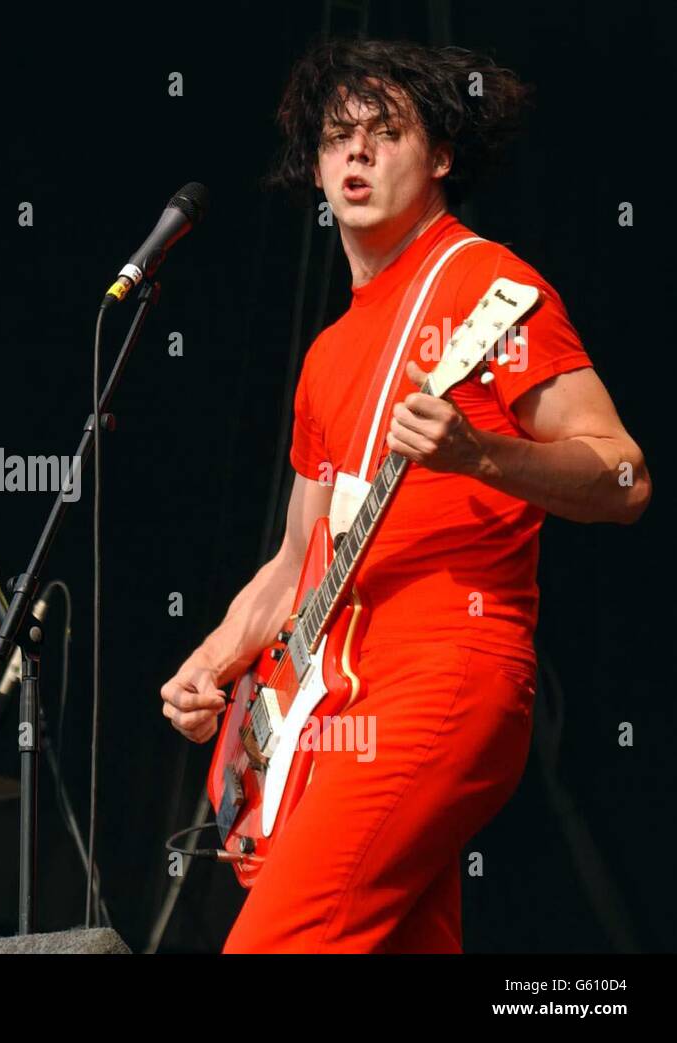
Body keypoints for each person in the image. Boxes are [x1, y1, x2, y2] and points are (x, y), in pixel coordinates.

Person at [159, 39, 651, 953]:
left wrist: (481, 455)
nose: (357, 154)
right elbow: (297, 560)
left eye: (386, 134)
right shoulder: (325, 355)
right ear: (313, 165)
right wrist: (216, 660)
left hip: (444, 670)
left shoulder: (484, 286)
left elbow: (625, 476)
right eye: (337, 138)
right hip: (331, 699)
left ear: (442, 156)